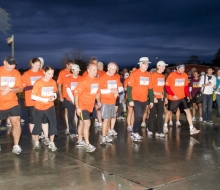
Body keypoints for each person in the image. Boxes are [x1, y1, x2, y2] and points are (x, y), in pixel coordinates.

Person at [163, 63, 200, 135]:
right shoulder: (171, 75)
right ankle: (165, 126)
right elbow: (167, 87)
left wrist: (187, 95)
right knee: (169, 111)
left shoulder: (185, 75)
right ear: (177, 68)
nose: (183, 70)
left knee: (188, 111)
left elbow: (186, 86)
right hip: (173, 98)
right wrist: (173, 95)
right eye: (181, 69)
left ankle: (191, 128)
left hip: (182, 97)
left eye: (184, 68)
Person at [22, 58, 50, 144]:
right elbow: (23, 87)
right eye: (36, 65)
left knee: (44, 119)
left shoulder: (42, 73)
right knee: (33, 119)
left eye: (40, 65)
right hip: (31, 100)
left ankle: (46, 137)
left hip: (42, 100)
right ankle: (34, 136)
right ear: (32, 64)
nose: (38, 67)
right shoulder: (26, 74)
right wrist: (35, 86)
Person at [74, 63, 101, 152]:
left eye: (96, 69)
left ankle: (79, 141)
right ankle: (87, 144)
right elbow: (76, 94)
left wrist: (98, 101)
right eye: (93, 69)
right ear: (88, 70)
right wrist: (77, 107)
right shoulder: (84, 80)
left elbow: (97, 93)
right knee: (87, 123)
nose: (95, 71)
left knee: (82, 123)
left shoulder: (97, 80)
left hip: (90, 106)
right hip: (82, 106)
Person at [31, 66, 58, 151]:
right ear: (44, 72)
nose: (50, 75)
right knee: (37, 124)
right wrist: (45, 99)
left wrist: (54, 97)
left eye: (52, 74)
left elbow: (54, 92)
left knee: (53, 124)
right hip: (39, 107)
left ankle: (51, 143)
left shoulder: (53, 82)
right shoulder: (38, 82)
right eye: (49, 73)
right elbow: (33, 96)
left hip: (50, 106)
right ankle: (36, 142)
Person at [0, 56, 23, 154]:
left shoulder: (16, 73)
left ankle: (16, 145)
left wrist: (10, 89)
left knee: (17, 123)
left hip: (12, 103)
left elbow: (20, 89)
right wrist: (4, 87)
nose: (12, 66)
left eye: (14, 64)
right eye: (10, 64)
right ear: (4, 62)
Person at [127, 57, 154, 141]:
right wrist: (130, 100)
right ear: (141, 64)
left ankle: (135, 132)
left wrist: (152, 100)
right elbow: (129, 87)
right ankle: (134, 132)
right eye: (145, 64)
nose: (147, 65)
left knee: (140, 116)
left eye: (148, 64)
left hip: (144, 99)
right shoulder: (134, 73)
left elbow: (150, 89)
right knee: (138, 115)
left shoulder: (148, 74)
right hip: (135, 98)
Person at [99, 62, 123, 145]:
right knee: (105, 120)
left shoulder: (116, 77)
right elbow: (100, 91)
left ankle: (107, 134)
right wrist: (111, 90)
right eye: (112, 69)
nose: (114, 71)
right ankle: (103, 137)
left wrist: (117, 90)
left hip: (113, 101)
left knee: (109, 119)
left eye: (115, 69)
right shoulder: (103, 78)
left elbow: (121, 87)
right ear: (108, 69)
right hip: (105, 102)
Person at [148, 61, 168, 137]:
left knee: (160, 114)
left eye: (164, 66)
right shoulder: (153, 75)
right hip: (154, 97)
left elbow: (163, 88)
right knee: (152, 114)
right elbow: (150, 87)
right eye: (163, 66)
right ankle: (149, 129)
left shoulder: (163, 76)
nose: (164, 68)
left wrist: (165, 97)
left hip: (161, 98)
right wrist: (153, 97)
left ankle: (159, 131)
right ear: (158, 66)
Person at [64, 64, 82, 137]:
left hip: (79, 100)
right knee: (70, 116)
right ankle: (72, 131)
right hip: (70, 100)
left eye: (78, 71)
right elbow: (68, 90)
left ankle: (78, 131)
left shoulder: (81, 78)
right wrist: (73, 100)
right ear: (72, 70)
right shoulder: (68, 79)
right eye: (76, 70)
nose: (77, 72)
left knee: (79, 116)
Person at [57, 60, 74, 134]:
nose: (71, 67)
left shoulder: (73, 72)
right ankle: (68, 127)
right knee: (67, 111)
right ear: (67, 65)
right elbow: (59, 84)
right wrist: (60, 95)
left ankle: (74, 126)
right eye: (70, 66)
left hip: (74, 95)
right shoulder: (62, 73)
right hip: (66, 95)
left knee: (75, 111)